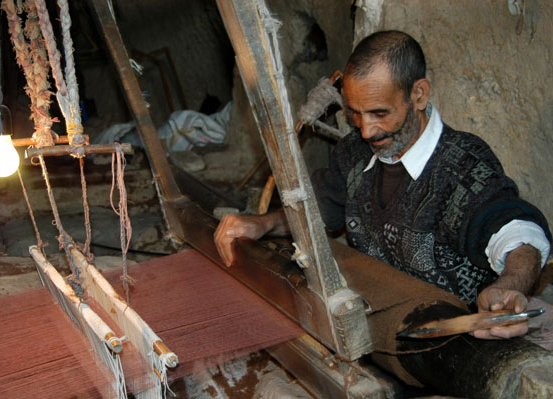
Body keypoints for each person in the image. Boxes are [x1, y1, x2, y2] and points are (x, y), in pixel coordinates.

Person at [214, 30, 551, 340]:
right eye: (355, 114)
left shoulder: (463, 164)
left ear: (418, 95)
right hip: (378, 327)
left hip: (452, 342)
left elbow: (518, 235)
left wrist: (509, 286)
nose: (366, 131)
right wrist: (263, 223)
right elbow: (317, 209)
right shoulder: (355, 152)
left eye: (379, 113)